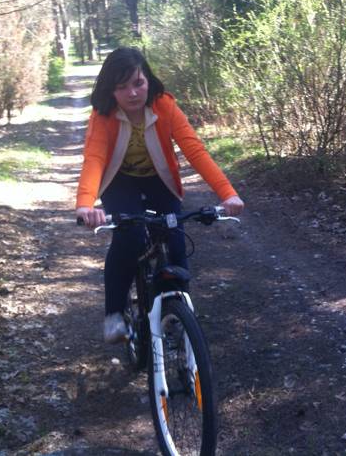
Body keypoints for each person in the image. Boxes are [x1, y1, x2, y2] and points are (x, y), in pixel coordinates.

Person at [76, 47, 244, 343]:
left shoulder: (164, 105)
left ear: (148, 80)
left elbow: (195, 150)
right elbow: (95, 159)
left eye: (138, 83)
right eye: (122, 86)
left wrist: (227, 194)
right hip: (120, 181)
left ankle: (178, 310)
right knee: (129, 237)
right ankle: (114, 314)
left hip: (158, 179)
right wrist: (85, 205)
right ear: (111, 90)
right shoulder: (103, 116)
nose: (132, 93)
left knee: (175, 236)